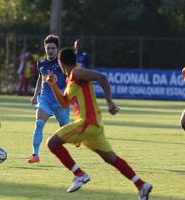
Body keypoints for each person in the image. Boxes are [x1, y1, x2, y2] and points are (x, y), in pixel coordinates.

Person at [45, 47, 152, 199]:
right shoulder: (71, 78)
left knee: (52, 143)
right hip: (93, 126)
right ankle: (141, 185)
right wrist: (53, 85)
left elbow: (101, 77)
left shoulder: (77, 72)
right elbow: (64, 102)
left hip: (87, 122)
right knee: (110, 158)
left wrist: (109, 101)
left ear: (61, 62)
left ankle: (79, 174)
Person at [27, 34, 70, 163]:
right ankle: (35, 155)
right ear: (45, 48)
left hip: (60, 101)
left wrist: (65, 91)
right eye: (48, 48)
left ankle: (75, 137)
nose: (50, 50)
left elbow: (70, 79)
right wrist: (35, 96)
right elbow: (40, 79)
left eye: (53, 48)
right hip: (45, 99)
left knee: (65, 128)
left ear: (57, 49)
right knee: (39, 123)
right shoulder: (41, 63)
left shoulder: (62, 63)